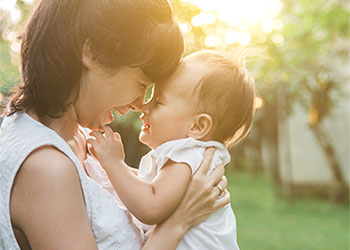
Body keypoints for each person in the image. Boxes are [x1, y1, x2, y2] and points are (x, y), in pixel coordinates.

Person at [0, 0, 230, 249]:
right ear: (92, 53)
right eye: (142, 84)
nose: (140, 104)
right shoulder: (46, 168)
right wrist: (178, 223)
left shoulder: (79, 136)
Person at [88, 50, 256, 249]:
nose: (144, 107)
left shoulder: (187, 155)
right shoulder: (195, 156)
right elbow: (150, 185)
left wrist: (114, 164)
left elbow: (150, 206)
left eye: (158, 102)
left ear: (198, 126)